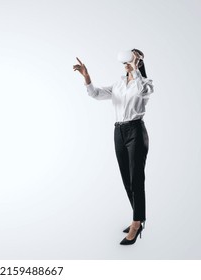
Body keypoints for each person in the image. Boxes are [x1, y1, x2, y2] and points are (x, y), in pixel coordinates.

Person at [73, 49, 154, 245]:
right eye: (125, 61)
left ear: (138, 61)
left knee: (137, 179)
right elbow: (96, 94)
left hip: (135, 130)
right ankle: (139, 216)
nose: (126, 64)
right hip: (119, 132)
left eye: (131, 60)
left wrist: (137, 68)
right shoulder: (119, 84)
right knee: (126, 178)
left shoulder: (145, 84)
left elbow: (144, 91)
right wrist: (87, 77)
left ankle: (136, 223)